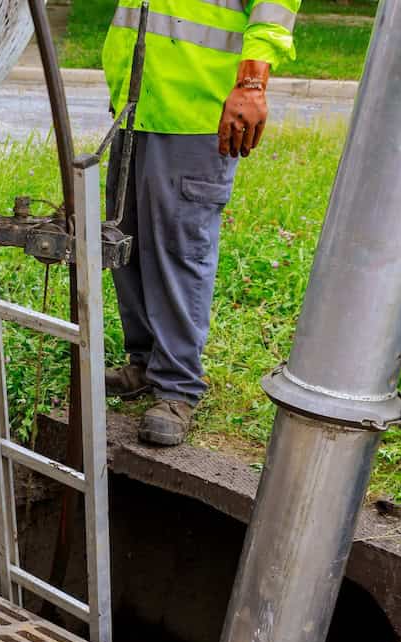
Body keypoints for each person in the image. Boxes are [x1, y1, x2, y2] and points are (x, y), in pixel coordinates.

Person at [101, 0, 299, 446]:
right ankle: (146, 361)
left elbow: (274, 8)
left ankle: (177, 387)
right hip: (138, 101)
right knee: (125, 242)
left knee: (178, 249)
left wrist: (252, 84)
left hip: (196, 108)